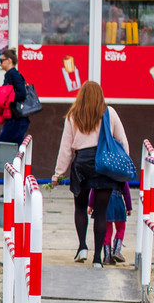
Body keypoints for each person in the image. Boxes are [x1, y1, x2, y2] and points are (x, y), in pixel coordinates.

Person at [51, 81, 130, 267]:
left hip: (81, 165)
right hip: (105, 165)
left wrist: (58, 174)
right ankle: (97, 260)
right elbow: (123, 142)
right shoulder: (110, 113)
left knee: (80, 208)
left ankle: (82, 247)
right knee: (101, 213)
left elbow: (66, 148)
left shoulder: (73, 115)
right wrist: (121, 168)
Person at [88, 183, 133, 264]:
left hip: (105, 203)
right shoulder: (121, 173)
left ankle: (107, 256)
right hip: (118, 204)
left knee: (107, 231)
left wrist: (91, 205)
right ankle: (116, 250)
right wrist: (128, 207)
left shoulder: (103, 171)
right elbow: (126, 192)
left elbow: (94, 189)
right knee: (121, 228)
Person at [0, 49, 28, 144]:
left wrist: (7, 98)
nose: (0, 64)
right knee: (11, 147)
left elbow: (22, 94)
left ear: (9, 60)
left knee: (0, 145)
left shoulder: (13, 74)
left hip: (16, 119)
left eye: (1, 61)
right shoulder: (11, 74)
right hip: (14, 118)